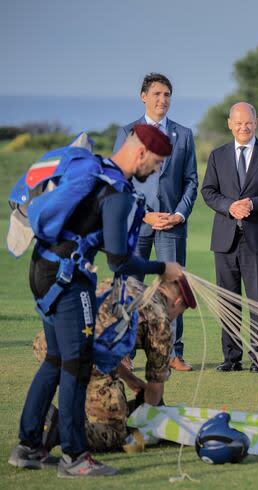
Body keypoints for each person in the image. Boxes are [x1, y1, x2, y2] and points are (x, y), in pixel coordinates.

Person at [10, 124, 184, 477]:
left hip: (43, 268)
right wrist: (161, 266)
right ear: (140, 153)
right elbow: (120, 262)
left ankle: (28, 446)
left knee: (56, 360)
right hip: (70, 280)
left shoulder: (94, 170)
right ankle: (75, 457)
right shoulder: (117, 192)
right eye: (155, 164)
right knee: (76, 364)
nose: (154, 171)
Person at [31, 275, 197, 451]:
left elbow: (104, 339)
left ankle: (71, 414)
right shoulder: (161, 319)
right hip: (86, 359)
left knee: (112, 403)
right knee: (114, 434)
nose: (175, 318)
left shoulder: (127, 282)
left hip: (49, 344)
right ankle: (57, 429)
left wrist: (131, 379)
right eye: (180, 312)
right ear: (177, 301)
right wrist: (152, 421)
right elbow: (155, 390)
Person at [113, 73, 198, 372]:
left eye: (167, 95)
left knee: (173, 287)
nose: (163, 100)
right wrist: (143, 215)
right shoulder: (127, 132)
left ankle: (173, 352)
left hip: (172, 225)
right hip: (138, 224)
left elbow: (191, 181)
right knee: (130, 287)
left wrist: (178, 214)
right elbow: (119, 182)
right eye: (157, 94)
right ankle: (124, 351)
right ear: (144, 96)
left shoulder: (184, 134)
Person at [201, 102, 258, 373]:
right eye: (238, 123)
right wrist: (230, 206)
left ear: (256, 122)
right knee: (228, 301)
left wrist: (252, 204)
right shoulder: (217, 155)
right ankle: (231, 357)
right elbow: (209, 191)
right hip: (225, 239)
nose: (243, 127)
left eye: (248, 122)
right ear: (229, 124)